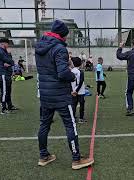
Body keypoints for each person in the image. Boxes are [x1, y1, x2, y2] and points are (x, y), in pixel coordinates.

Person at [35, 20, 94, 170]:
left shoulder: (40, 46)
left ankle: (43, 156)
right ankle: (76, 159)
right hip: (60, 95)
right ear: (61, 35)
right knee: (70, 125)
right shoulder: (59, 48)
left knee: (44, 124)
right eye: (66, 36)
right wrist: (72, 76)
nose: (66, 39)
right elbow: (62, 73)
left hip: (45, 94)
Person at [0, 38, 18, 115]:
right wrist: (9, 57)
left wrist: (9, 62)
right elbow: (11, 61)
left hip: (7, 73)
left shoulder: (4, 51)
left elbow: (10, 62)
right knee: (4, 92)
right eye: (7, 44)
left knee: (8, 91)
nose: (8, 45)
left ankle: (10, 106)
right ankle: (3, 109)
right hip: (3, 74)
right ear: (3, 43)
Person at [71, 57, 87, 124]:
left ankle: (73, 118)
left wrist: (73, 90)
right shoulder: (81, 72)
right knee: (81, 104)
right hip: (80, 91)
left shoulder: (71, 71)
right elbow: (81, 82)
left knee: (74, 105)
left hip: (73, 91)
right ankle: (81, 118)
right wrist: (77, 90)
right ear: (80, 64)